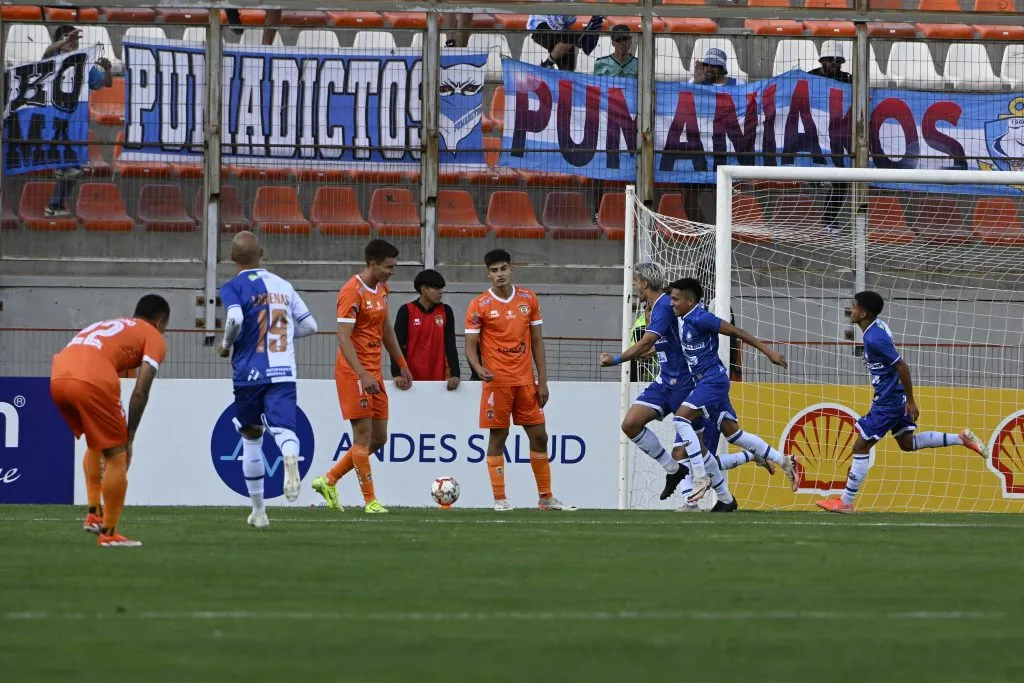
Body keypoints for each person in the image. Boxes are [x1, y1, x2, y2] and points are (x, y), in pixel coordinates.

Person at [817, 292, 989, 513]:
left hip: (889, 401)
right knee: (907, 443)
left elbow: (902, 367)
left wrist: (911, 400)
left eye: (854, 306)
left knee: (860, 446)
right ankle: (961, 438)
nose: (850, 309)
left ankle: (846, 502)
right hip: (894, 396)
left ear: (864, 313)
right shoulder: (876, 327)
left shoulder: (874, 338)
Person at [49, 294, 171, 547]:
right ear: (160, 322)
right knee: (117, 454)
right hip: (91, 379)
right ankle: (110, 532)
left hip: (58, 377)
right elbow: (141, 389)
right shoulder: (154, 336)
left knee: (97, 443)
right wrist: (130, 437)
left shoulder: (111, 324)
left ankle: (94, 514)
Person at [217, 231, 318, 529]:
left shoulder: (232, 287)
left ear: (232, 258)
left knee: (251, 437)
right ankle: (289, 456)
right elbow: (310, 326)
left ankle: (259, 512)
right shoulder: (284, 286)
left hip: (248, 373)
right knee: (285, 430)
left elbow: (234, 318)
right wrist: (283, 336)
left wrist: (225, 345)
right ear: (261, 252)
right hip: (283, 371)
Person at [667, 278, 799, 505]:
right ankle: (784, 461)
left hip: (713, 381)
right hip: (706, 383)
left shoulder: (701, 317)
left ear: (690, 301)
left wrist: (769, 352)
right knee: (734, 434)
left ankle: (700, 478)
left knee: (681, 419)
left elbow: (737, 331)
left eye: (676, 299)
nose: (672, 303)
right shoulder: (685, 320)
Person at [465, 249, 575, 512]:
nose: (499, 275)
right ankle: (500, 499)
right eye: (494, 270)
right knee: (498, 437)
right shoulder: (479, 304)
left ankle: (546, 498)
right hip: (497, 383)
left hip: (526, 382)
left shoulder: (528, 298)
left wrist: (543, 381)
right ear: (487, 274)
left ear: (511, 269)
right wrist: (478, 367)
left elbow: (537, 341)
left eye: (503, 269)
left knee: (540, 437)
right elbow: (470, 344)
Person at [311, 239, 414, 514]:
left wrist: (401, 362)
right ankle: (370, 501)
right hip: (354, 373)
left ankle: (328, 480)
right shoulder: (351, 292)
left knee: (379, 439)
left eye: (394, 266)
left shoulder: (382, 288)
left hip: (374, 373)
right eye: (388, 267)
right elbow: (343, 339)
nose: (392, 271)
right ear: (372, 264)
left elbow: (386, 328)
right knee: (362, 436)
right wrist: (361, 374)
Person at [599, 263, 692, 501]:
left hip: (685, 383)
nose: (634, 287)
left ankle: (753, 459)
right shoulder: (655, 307)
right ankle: (673, 470)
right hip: (665, 381)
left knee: (701, 448)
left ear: (644, 283)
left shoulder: (663, 306)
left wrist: (616, 359)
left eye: (635, 282)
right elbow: (666, 341)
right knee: (630, 424)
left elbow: (645, 341)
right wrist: (653, 352)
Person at [42, 25, 113, 218]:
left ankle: (55, 205)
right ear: (59, 42)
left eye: (76, 41)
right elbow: (47, 52)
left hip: (75, 119)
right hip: (50, 116)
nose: (74, 43)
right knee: (69, 163)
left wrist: (107, 69)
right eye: (68, 39)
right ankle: (60, 163)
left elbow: (105, 83)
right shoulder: (52, 58)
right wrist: (64, 42)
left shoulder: (83, 64)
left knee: (73, 171)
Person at [808, 41, 852, 234]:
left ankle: (830, 220)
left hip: (837, 133)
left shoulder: (848, 80)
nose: (834, 64)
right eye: (830, 60)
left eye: (837, 61)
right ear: (822, 61)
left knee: (841, 179)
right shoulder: (808, 78)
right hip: (811, 133)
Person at [391, 269, 461, 389]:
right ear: (423, 290)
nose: (440, 292)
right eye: (436, 288)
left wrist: (455, 374)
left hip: (440, 377)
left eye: (441, 288)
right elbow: (396, 344)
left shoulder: (446, 311)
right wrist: (397, 373)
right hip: (410, 378)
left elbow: (450, 344)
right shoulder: (406, 311)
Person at [527, 13, 604, 72]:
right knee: (571, 37)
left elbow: (566, 21)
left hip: (561, 31)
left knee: (568, 69)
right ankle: (548, 63)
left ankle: (548, 64)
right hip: (539, 25)